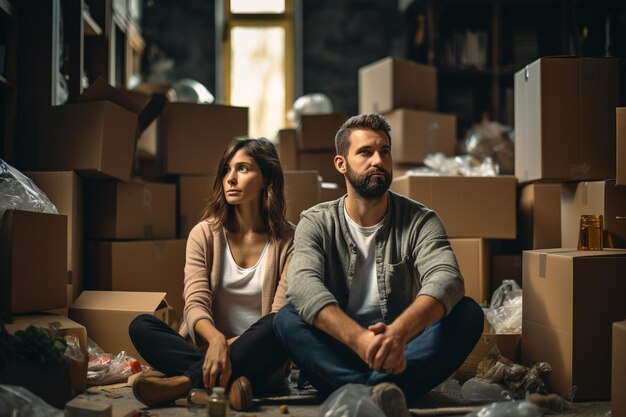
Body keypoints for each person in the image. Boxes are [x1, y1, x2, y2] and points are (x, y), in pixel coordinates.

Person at [273, 113, 484, 417]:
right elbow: (303, 287)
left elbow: (447, 278)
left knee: (468, 313)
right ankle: (384, 392)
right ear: (340, 164)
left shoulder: (420, 220)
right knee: (286, 319)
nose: (378, 160)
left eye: (385, 151)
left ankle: (364, 392)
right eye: (365, 152)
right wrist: (360, 341)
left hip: (402, 353)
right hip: (339, 351)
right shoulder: (315, 221)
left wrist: (396, 335)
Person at [129, 137, 295, 408]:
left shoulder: (289, 240)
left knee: (283, 322)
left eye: (243, 169)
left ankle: (183, 384)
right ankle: (226, 388)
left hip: (260, 357)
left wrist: (225, 349)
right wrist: (215, 340)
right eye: (226, 170)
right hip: (206, 348)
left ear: (266, 178)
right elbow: (195, 303)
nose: (230, 178)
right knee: (141, 325)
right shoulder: (204, 234)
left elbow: (279, 315)